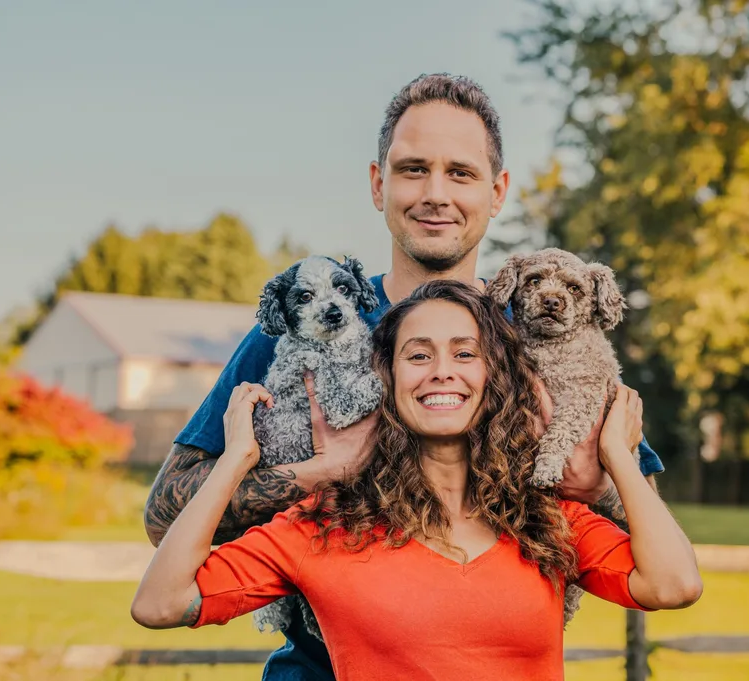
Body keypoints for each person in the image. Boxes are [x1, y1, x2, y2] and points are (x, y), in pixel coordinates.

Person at [143, 73, 667, 680]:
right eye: (414, 169)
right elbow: (164, 517)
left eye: (461, 173)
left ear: (497, 191)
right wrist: (321, 470)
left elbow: (653, 544)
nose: (436, 194)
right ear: (378, 184)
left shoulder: (541, 338)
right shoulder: (307, 325)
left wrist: (593, 486)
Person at [131, 281, 702, 681]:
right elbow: (160, 603)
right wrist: (235, 460)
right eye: (418, 355)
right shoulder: (321, 528)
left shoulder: (548, 522)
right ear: (387, 377)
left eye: (465, 353)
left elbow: (674, 585)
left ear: (495, 376)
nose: (443, 371)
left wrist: (617, 458)